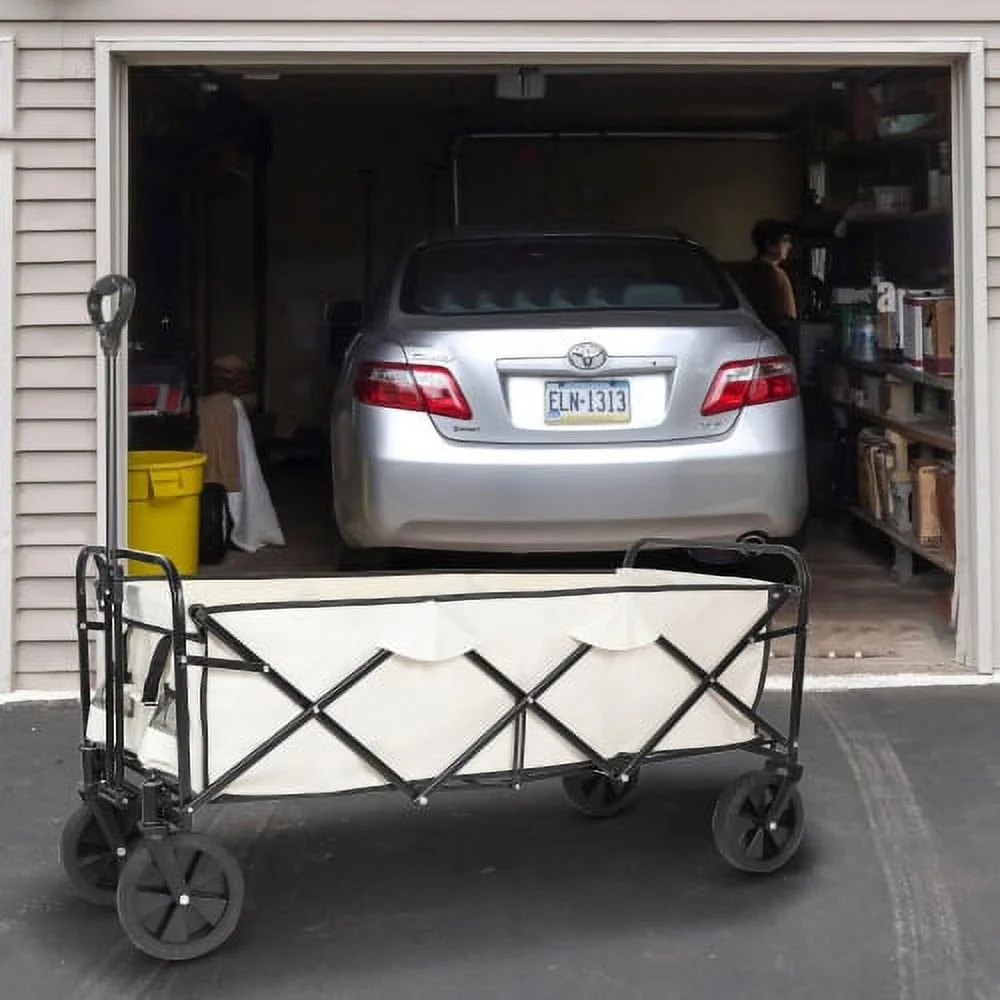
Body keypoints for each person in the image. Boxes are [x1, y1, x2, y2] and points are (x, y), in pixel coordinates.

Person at [742, 219, 799, 362]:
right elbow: (783, 316)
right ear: (769, 245)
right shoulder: (771, 273)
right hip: (776, 338)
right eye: (785, 241)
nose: (789, 246)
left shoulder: (754, 269)